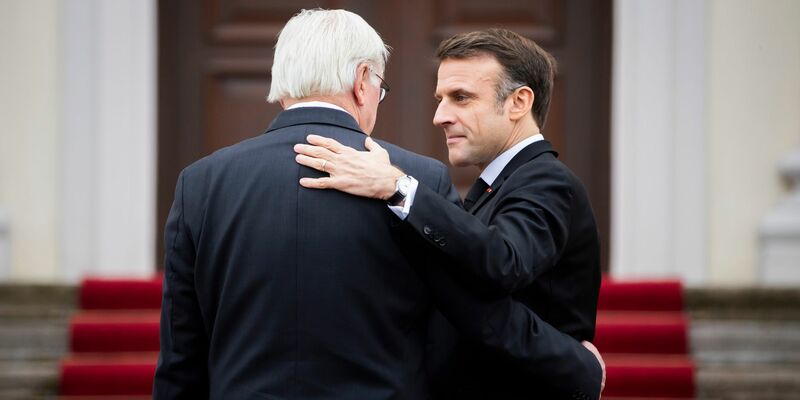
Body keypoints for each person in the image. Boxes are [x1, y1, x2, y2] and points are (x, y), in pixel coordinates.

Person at [295, 28, 603, 398]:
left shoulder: (548, 181)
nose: (440, 116)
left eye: (461, 98)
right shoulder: (500, 183)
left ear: (519, 102)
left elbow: (504, 261)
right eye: (441, 99)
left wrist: (397, 186)